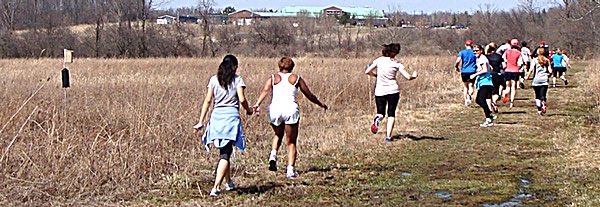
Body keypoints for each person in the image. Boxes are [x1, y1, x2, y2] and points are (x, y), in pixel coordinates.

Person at [253, 57, 328, 179]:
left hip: (275, 110)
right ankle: (290, 170)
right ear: (292, 67)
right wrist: (320, 104)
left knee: (278, 134)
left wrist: (257, 104)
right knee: (291, 142)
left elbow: (265, 91)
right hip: (290, 109)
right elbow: (309, 94)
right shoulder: (296, 78)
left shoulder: (273, 78)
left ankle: (273, 155)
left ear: (279, 66)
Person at [193, 54, 254, 196]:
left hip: (216, 118)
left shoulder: (214, 80)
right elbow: (242, 99)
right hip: (230, 119)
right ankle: (216, 187)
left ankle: (229, 182)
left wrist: (201, 122)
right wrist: (248, 110)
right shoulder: (238, 80)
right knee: (225, 154)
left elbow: (208, 100)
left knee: (224, 151)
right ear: (234, 67)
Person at [365, 43, 418, 142]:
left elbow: (367, 71)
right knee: (391, 114)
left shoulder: (378, 60)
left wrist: (376, 75)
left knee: (381, 112)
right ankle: (388, 137)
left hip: (380, 91)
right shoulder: (397, 64)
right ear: (395, 53)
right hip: (393, 90)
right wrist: (414, 76)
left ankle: (378, 118)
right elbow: (408, 77)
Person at [470, 45, 496, 127]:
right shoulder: (482, 59)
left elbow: (484, 70)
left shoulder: (482, 59)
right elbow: (490, 68)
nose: (475, 52)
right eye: (473, 51)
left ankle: (489, 119)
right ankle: (490, 114)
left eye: (477, 50)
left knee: (480, 100)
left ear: (481, 51)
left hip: (485, 82)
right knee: (479, 100)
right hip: (484, 81)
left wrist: (475, 75)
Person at [525, 48, 551, 115]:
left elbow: (531, 70)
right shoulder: (547, 60)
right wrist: (548, 75)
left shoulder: (535, 60)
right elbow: (550, 71)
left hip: (536, 80)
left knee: (537, 95)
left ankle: (539, 110)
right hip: (544, 79)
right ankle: (543, 102)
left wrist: (527, 77)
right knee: (543, 95)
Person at [501, 38, 524, 107]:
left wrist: (505, 67)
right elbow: (520, 63)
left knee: (507, 85)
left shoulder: (507, 52)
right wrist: (518, 68)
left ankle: (505, 93)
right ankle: (511, 102)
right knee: (514, 86)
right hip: (515, 71)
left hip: (508, 70)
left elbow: (503, 60)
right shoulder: (519, 53)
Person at [455, 40, 477, 106]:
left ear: (465, 45)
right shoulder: (474, 52)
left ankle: (465, 101)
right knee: (471, 86)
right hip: (472, 71)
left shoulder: (462, 52)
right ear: (471, 45)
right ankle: (470, 96)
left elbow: (457, 61)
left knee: (465, 87)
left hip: (464, 71)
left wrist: (456, 67)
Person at [485, 43, 504, 113]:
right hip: (497, 74)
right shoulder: (499, 56)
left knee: (489, 92)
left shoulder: (486, 57)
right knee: (496, 91)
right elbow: (504, 65)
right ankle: (494, 102)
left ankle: (490, 108)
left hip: (488, 75)